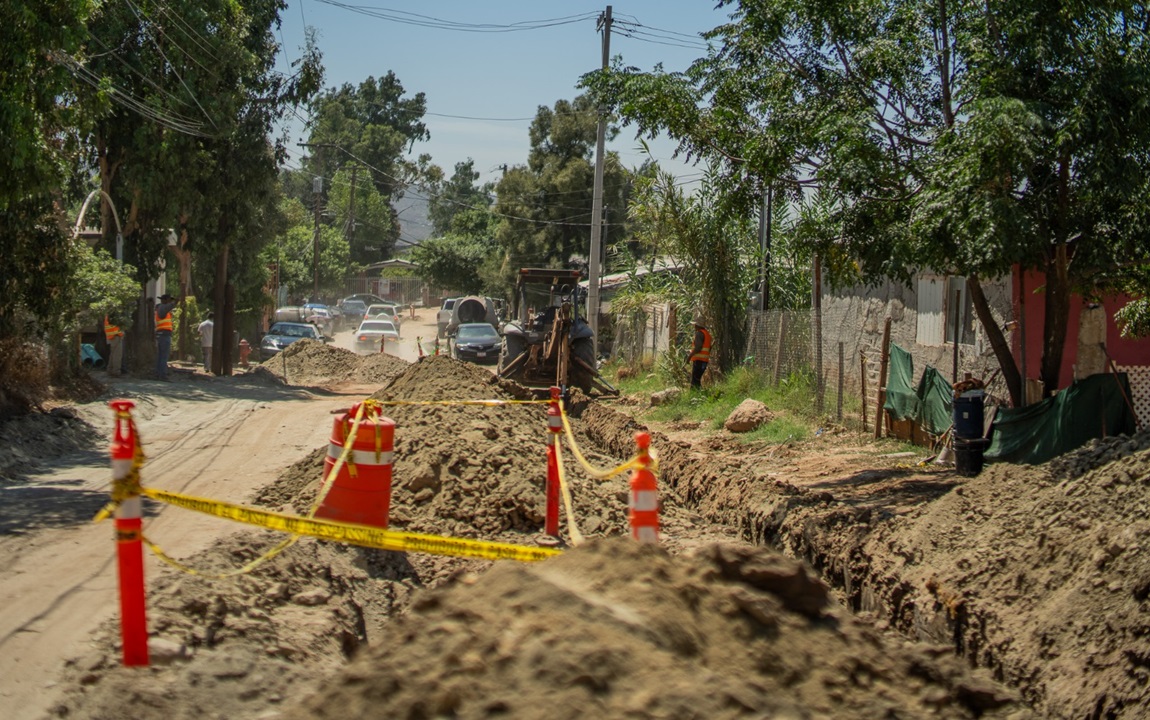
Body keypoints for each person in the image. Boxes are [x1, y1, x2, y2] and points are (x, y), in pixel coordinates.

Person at [154, 292, 176, 381]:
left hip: (161, 334)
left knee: (160, 356)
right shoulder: (163, 308)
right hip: (164, 334)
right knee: (164, 356)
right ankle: (162, 375)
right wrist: (175, 302)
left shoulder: (160, 308)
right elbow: (169, 306)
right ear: (166, 300)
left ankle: (158, 374)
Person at [689, 315, 712, 389]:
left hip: (699, 361)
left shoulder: (699, 334)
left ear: (697, 325)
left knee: (694, 382)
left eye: (695, 325)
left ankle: (694, 396)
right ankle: (699, 396)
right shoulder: (707, 334)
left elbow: (698, 348)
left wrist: (689, 357)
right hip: (704, 361)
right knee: (697, 380)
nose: (694, 326)